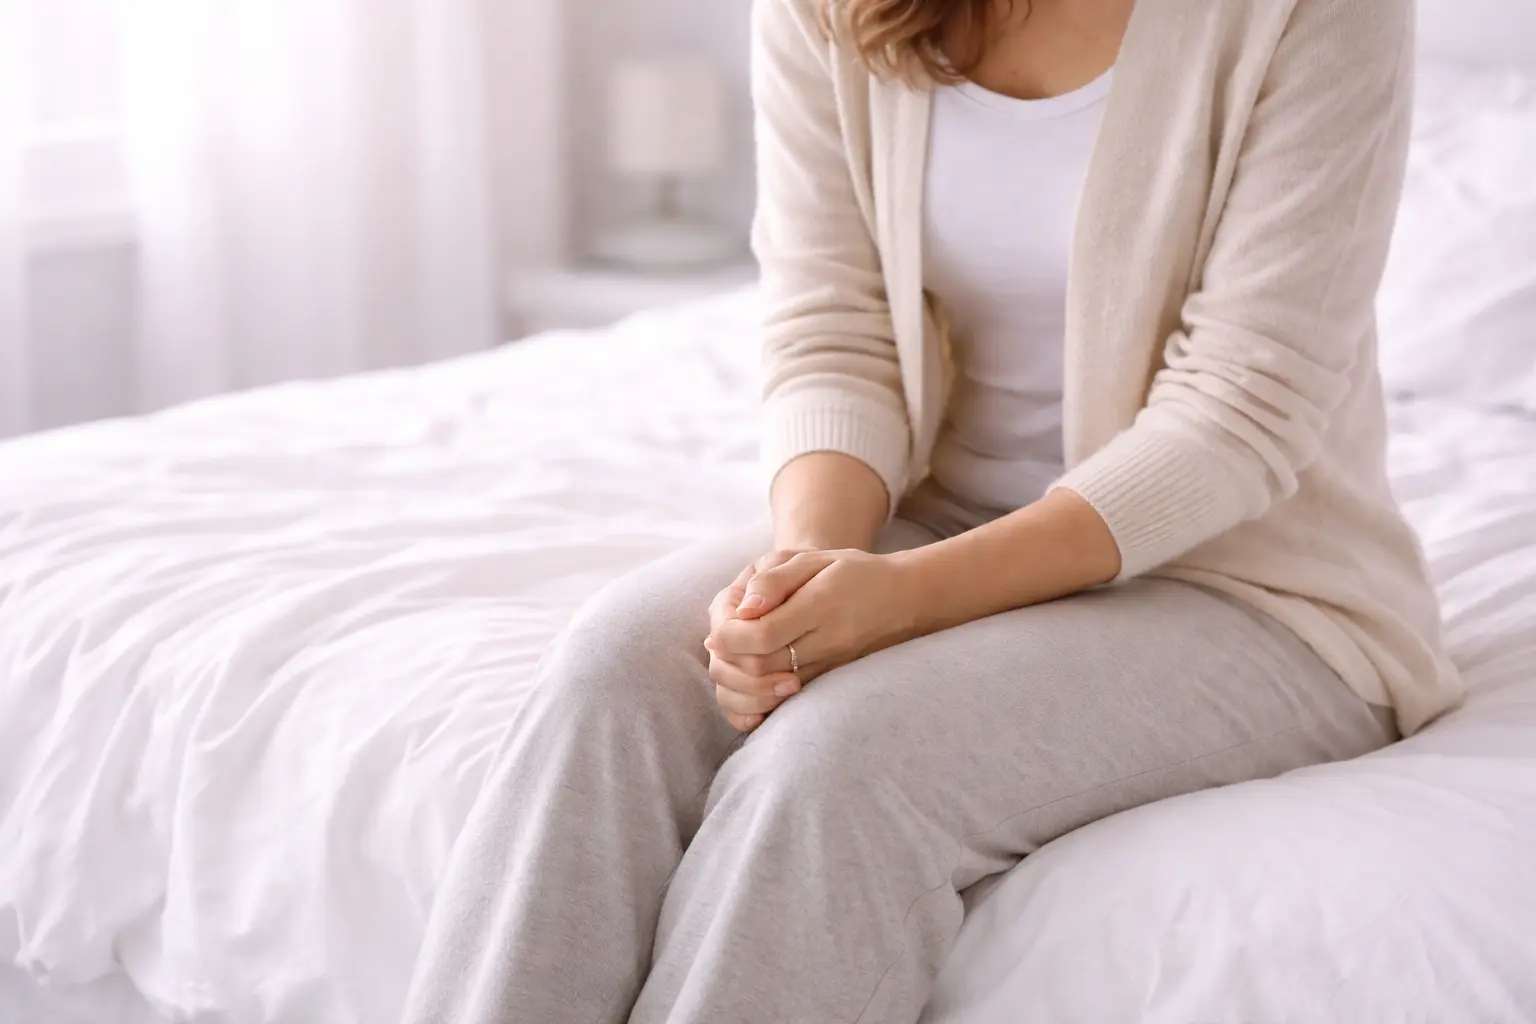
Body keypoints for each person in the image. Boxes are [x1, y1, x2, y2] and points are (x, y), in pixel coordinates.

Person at [403, 0, 1465, 1020]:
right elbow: (836, 322)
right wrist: (809, 579)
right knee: (612, 670)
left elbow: (1242, 411)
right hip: (936, 514)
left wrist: (905, 599)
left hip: (1251, 589)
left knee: (837, 768)